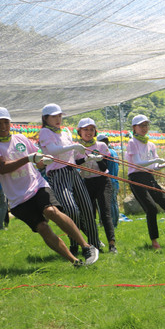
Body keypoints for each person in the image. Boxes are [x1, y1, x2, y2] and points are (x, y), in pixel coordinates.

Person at [0, 106, 99, 266]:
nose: (3, 126)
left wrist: (43, 160)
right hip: (17, 198)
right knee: (42, 228)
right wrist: (28, 159)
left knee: (51, 211)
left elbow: (38, 161)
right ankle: (74, 261)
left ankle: (87, 247)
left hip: (37, 185)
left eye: (6, 122)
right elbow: (2, 168)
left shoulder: (20, 138)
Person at [38, 103, 101, 253]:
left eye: (60, 116)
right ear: (45, 118)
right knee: (71, 210)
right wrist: (73, 146)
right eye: (54, 116)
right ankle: (75, 244)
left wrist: (88, 157)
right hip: (58, 174)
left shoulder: (65, 131)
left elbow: (72, 155)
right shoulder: (45, 132)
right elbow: (53, 151)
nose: (58, 119)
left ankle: (95, 245)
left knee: (87, 208)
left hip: (73, 171)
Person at [126, 114, 165, 249]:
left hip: (149, 177)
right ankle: (154, 241)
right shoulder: (132, 142)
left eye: (146, 125)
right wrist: (155, 161)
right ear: (134, 127)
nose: (144, 128)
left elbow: (154, 166)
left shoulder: (151, 145)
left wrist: (163, 165)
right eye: (141, 126)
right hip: (136, 178)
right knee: (151, 208)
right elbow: (137, 163)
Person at [77, 119, 117, 253]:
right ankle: (94, 243)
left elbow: (104, 167)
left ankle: (112, 244)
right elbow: (75, 164)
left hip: (103, 181)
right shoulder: (77, 148)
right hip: (86, 182)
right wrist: (85, 159)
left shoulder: (101, 146)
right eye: (85, 129)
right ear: (80, 131)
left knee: (105, 212)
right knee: (89, 214)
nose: (89, 132)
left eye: (91, 129)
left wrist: (99, 159)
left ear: (95, 131)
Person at [97, 134, 120, 228]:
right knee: (114, 203)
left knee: (108, 204)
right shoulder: (114, 152)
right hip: (115, 180)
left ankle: (110, 223)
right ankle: (115, 222)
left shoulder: (105, 153)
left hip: (108, 181)